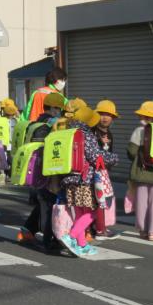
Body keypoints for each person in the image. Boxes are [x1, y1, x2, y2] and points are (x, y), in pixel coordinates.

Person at [58, 107, 118, 257]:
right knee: (92, 212)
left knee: (79, 213)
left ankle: (82, 245)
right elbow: (94, 156)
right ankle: (71, 237)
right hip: (84, 179)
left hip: (69, 178)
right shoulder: (87, 134)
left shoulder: (67, 132)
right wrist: (113, 157)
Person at [18, 92, 65, 249]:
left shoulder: (35, 123)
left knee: (42, 201)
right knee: (48, 203)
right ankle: (48, 238)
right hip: (48, 169)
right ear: (53, 109)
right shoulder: (52, 124)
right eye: (59, 109)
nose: (61, 113)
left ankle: (27, 230)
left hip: (34, 169)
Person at [128, 100, 153, 241]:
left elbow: (131, 152)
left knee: (141, 202)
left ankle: (143, 230)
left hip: (142, 172)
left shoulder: (139, 131)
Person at [92, 99, 120, 241]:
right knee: (98, 200)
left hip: (103, 173)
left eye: (108, 115)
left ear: (113, 118)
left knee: (102, 200)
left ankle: (100, 227)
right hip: (92, 171)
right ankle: (99, 229)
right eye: (102, 114)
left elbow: (110, 154)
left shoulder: (110, 134)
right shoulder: (92, 131)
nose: (105, 117)